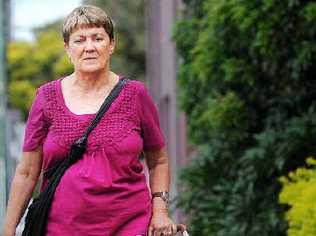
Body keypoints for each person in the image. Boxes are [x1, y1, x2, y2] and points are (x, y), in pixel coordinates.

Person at [3, 5, 182, 236]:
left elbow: (158, 161)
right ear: (68, 48)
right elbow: (27, 171)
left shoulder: (136, 95)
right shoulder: (46, 98)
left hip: (129, 225)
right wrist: (8, 230)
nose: (89, 47)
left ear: (111, 45)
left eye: (98, 38)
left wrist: (160, 212)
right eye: (79, 40)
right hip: (60, 229)